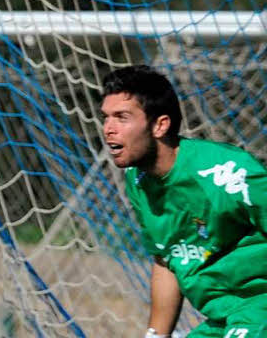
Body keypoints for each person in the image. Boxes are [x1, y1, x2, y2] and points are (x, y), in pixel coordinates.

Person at [101, 65, 267, 338]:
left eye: (122, 117)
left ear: (160, 125)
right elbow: (166, 261)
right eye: (106, 117)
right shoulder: (138, 180)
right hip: (222, 319)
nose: (108, 129)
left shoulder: (228, 174)